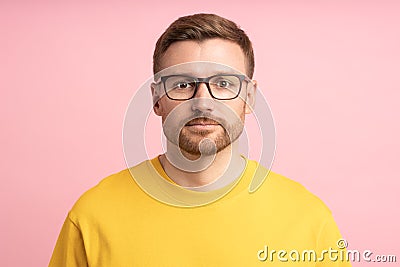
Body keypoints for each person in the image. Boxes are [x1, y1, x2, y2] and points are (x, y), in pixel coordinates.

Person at [49, 13, 351, 266]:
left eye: (223, 83)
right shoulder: (92, 216)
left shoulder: (308, 219)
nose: (203, 102)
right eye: (182, 84)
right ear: (157, 99)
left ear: (249, 97)